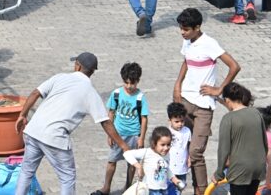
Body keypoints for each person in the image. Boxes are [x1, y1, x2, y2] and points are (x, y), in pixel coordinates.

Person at [14, 52, 130, 195]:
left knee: (26, 171)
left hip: (33, 131)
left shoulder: (59, 78)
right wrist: (124, 145)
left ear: (78, 66)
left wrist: (22, 115)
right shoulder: (90, 92)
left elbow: (34, 93)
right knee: (67, 177)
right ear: (92, 72)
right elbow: (105, 122)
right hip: (55, 137)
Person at [172, 7, 240, 195]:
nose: (182, 32)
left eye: (186, 29)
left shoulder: (210, 44)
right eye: (181, 28)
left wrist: (219, 89)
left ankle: (201, 191)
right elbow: (186, 61)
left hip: (203, 106)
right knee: (183, 146)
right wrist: (177, 84)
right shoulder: (187, 41)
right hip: (185, 99)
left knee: (196, 152)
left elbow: (234, 66)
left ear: (197, 27)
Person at [96, 62, 149, 195]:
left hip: (133, 136)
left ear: (138, 81)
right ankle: (106, 187)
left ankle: (128, 188)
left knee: (131, 164)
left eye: (132, 83)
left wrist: (141, 137)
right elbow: (111, 113)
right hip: (118, 135)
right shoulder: (117, 94)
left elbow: (144, 118)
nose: (129, 86)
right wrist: (110, 134)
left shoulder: (140, 97)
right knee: (112, 160)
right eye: (126, 83)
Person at [213, 83, 268, 195]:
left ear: (227, 100)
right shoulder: (256, 112)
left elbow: (223, 150)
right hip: (257, 167)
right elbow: (265, 142)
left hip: (240, 170)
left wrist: (219, 173)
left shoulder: (228, 119)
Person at [123, 126, 186, 195]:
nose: (166, 148)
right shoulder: (147, 152)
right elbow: (127, 154)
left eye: (168, 144)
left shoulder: (167, 155)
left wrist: (174, 179)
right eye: (162, 145)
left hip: (164, 190)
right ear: (154, 143)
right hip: (150, 190)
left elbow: (166, 169)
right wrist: (138, 166)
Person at [166, 102, 191, 195]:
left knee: (180, 187)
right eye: (176, 121)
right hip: (170, 167)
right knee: (169, 188)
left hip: (182, 167)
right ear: (170, 121)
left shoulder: (187, 131)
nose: (180, 124)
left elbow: (189, 145)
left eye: (182, 121)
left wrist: (189, 157)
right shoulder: (167, 132)